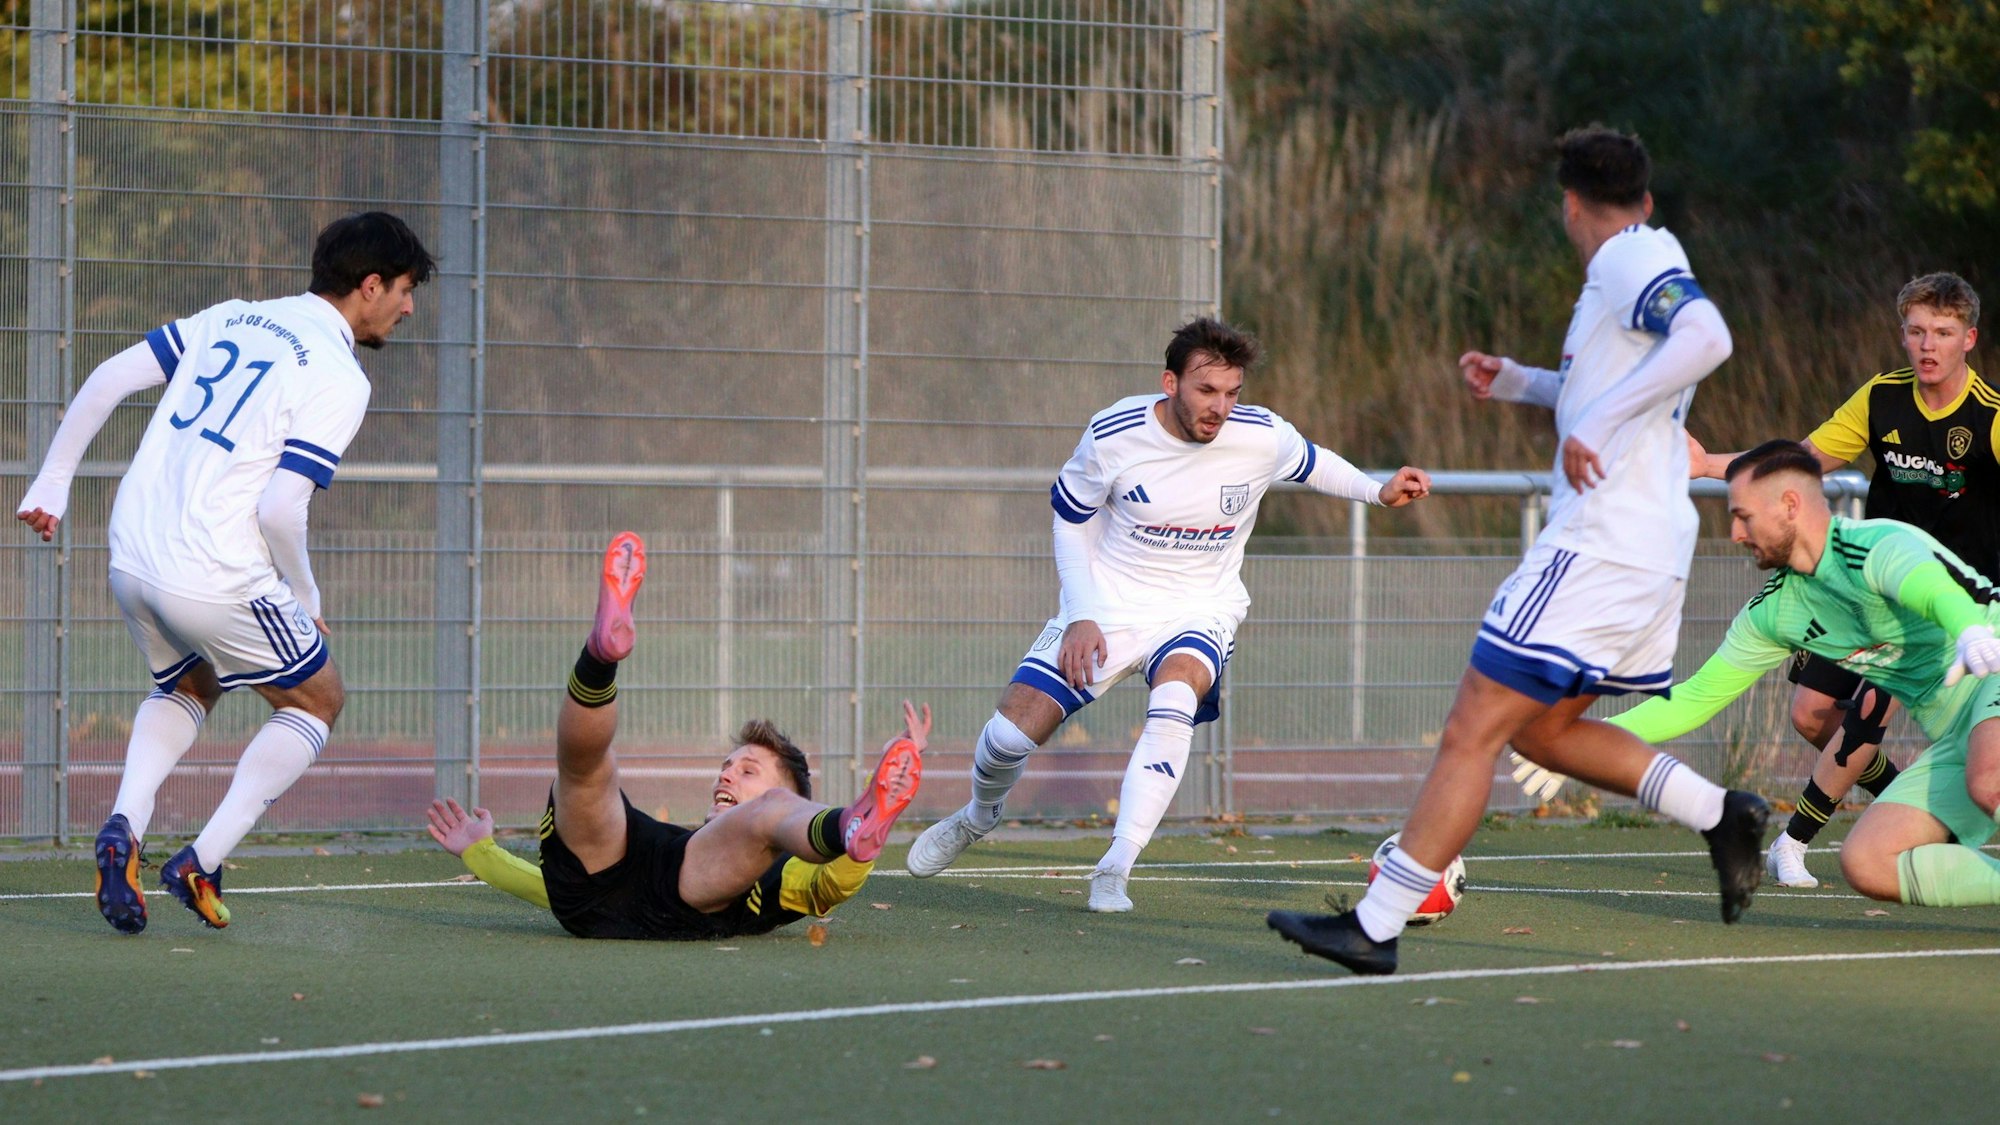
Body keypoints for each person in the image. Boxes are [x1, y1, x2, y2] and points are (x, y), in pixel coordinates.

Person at [1268, 126, 1764, 975]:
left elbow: (1708, 338)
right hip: (1646, 548)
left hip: (1601, 543)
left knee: (1472, 724)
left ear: (1570, 204)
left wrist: (1598, 422)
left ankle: (1377, 923)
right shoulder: (1635, 261)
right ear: (1643, 197)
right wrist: (1527, 382)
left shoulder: (1624, 259)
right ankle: (1723, 814)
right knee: (1539, 730)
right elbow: (1624, 379)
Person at [905, 316, 1433, 912]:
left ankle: (1115, 867)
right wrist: (1080, 615)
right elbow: (1070, 521)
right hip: (1108, 605)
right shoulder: (1115, 434)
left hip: (1200, 607)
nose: (1221, 408)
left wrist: (1378, 491)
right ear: (1170, 383)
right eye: (1207, 391)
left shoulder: (1260, 435)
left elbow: (1314, 462)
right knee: (1007, 736)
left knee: (1177, 695)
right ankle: (977, 816)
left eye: (1233, 393)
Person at [14, 212, 435, 933]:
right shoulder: (339, 375)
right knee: (317, 700)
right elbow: (279, 510)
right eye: (403, 289)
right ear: (369, 286)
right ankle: (199, 861)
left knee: (189, 680)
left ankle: (124, 824)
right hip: (211, 570)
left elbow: (110, 376)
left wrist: (52, 481)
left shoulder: (236, 316)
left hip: (131, 554)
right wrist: (306, 596)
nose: (409, 306)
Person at [1686, 273, 1992, 888]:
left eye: (1943, 332)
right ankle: (1897, 795)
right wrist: (1707, 464)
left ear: (1969, 339)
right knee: (1810, 714)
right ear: (1902, 336)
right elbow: (1799, 462)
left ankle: (1794, 841)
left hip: (1952, 603)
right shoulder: (1882, 398)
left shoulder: (1990, 416)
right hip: (1871, 585)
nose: (1928, 345)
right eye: (1916, 331)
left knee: (1873, 704)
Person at [1609, 440, 2000, 906]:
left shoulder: (1873, 545)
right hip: (1957, 735)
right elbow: (1694, 699)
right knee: (1869, 861)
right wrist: (1582, 737)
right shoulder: (1774, 612)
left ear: (1790, 506)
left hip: (1993, 665)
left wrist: (1970, 630)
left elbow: (1934, 590)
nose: (1735, 533)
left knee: (1988, 779)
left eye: (1744, 516)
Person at [488, 532, 926, 941]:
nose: (726, 777)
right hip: (596, 879)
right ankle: (602, 654)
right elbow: (543, 884)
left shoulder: (784, 871)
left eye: (748, 770)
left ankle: (851, 823)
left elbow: (831, 882)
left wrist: (861, 843)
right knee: (588, 771)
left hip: (665, 897)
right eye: (727, 767)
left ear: (796, 804)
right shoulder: (671, 843)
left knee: (761, 813)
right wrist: (480, 852)